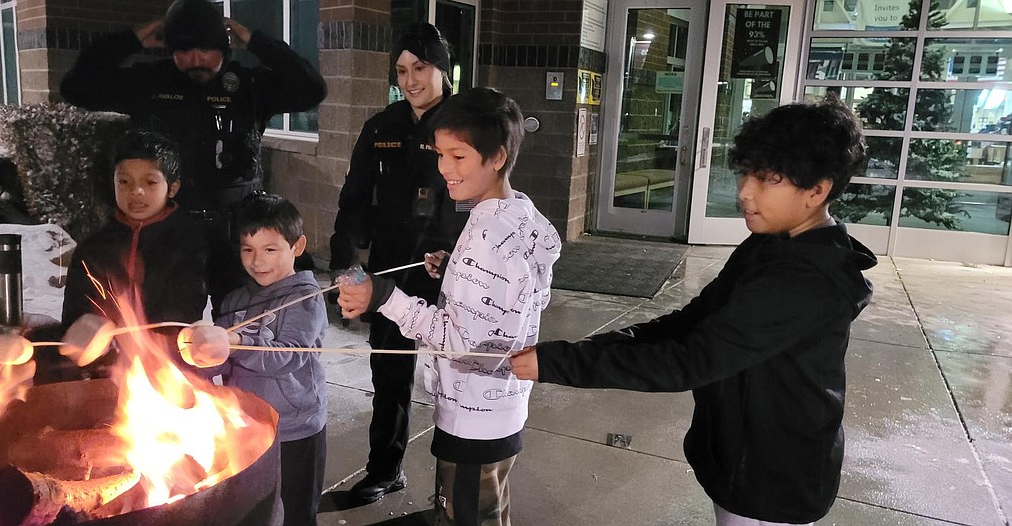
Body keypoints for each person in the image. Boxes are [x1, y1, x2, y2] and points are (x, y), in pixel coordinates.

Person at [510, 100, 878, 526]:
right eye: (745, 172)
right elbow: (694, 320)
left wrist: (560, 364)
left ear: (818, 190)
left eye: (767, 179)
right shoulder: (772, 245)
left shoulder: (804, 281)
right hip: (742, 453)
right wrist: (584, 349)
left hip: (772, 477)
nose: (744, 191)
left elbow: (691, 360)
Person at [338, 87, 561, 525]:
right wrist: (457, 268)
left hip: (474, 415)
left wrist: (383, 297)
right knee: (486, 510)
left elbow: (458, 340)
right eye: (440, 154)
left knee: (467, 515)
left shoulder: (485, 236)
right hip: (503, 407)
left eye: (458, 157)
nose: (444, 169)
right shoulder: (518, 212)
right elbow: (521, 292)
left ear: (496, 157)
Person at [60, 0, 327, 308]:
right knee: (168, 328)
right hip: (169, 233)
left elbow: (311, 89)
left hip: (237, 233)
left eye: (205, 49)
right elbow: (76, 88)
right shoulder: (150, 82)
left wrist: (257, 41)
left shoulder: (248, 86)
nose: (194, 59)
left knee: (241, 327)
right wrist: (130, 40)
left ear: (224, 48)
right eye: (183, 51)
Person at [328, 22, 469, 504]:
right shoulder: (382, 126)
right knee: (389, 372)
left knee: (458, 370)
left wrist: (461, 255)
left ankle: (458, 480)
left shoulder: (467, 122)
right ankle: (385, 468)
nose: (410, 80)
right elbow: (353, 199)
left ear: (442, 69)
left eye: (421, 67)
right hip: (391, 267)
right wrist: (345, 259)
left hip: (451, 266)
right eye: (402, 70)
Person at [213, 193, 327, 526]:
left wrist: (235, 341)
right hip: (247, 428)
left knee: (296, 514)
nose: (257, 261)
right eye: (248, 249)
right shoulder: (236, 299)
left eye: (270, 249)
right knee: (254, 512)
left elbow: (288, 355)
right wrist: (204, 355)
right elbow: (223, 359)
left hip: (295, 430)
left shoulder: (306, 297)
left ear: (298, 246)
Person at [61, 129, 207, 345]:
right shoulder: (94, 248)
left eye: (150, 182)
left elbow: (182, 312)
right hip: (102, 368)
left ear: (172, 188)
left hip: (166, 366)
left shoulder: (188, 243)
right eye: (124, 182)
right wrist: (85, 328)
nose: (136, 191)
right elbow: (77, 312)